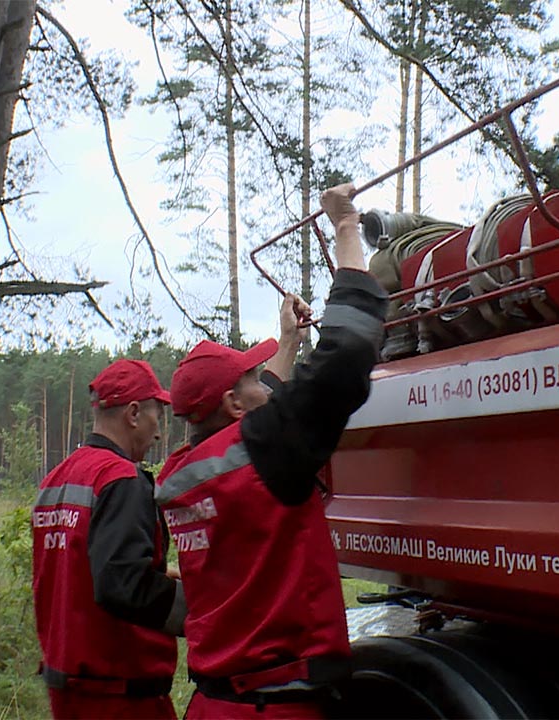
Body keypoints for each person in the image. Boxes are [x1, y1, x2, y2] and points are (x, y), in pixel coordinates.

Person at [155, 183, 387, 719]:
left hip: (214, 705)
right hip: (276, 708)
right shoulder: (264, 449)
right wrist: (347, 226)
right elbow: (349, 347)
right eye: (253, 376)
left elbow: (264, 422)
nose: (267, 381)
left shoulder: (181, 474)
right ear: (235, 405)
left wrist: (286, 345)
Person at [32, 359, 188, 720]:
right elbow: (121, 583)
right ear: (133, 413)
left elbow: (85, 571)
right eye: (157, 417)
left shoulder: (55, 480)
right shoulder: (121, 478)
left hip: (68, 690)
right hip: (121, 696)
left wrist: (159, 576)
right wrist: (197, 608)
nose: (159, 433)